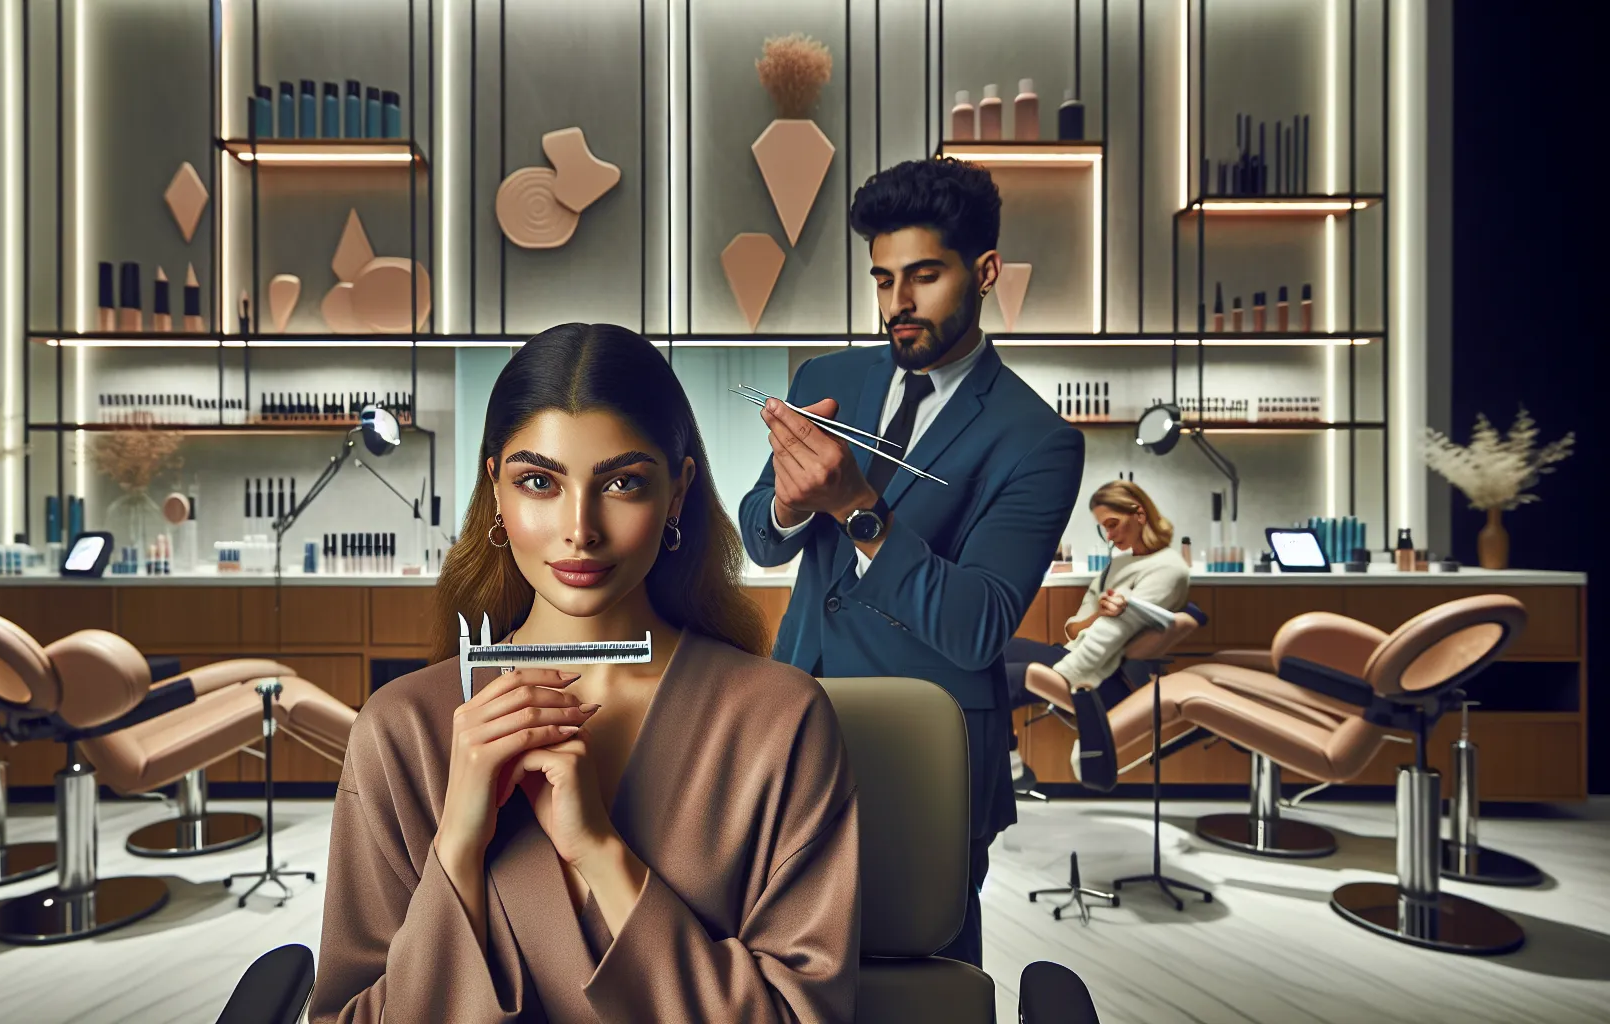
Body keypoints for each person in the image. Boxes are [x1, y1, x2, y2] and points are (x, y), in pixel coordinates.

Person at [312, 324, 860, 1023]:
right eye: (539, 481)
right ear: (497, 493)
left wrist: (599, 852)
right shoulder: (400, 730)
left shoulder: (781, 720)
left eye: (623, 482)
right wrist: (458, 845)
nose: (580, 529)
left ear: (678, 492)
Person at [739, 158, 1084, 969]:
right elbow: (760, 535)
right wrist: (792, 501)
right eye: (883, 278)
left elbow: (977, 627)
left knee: (923, 973)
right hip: (795, 723)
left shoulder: (1038, 440)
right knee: (781, 968)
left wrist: (858, 509)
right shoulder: (826, 378)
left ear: (986, 271)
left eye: (924, 276)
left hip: (927, 759)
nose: (898, 302)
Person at [1002, 480, 1191, 792]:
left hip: (1107, 677)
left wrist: (1063, 680)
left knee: (1001, 676)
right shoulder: (1119, 564)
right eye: (1104, 527)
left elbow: (1110, 638)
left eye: (1114, 524)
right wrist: (1098, 615)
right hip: (1077, 653)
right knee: (991, 651)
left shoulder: (1168, 570)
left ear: (1140, 515)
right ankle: (1008, 763)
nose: (1110, 536)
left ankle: (1003, 769)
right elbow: (1074, 626)